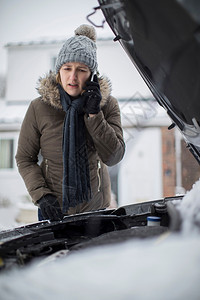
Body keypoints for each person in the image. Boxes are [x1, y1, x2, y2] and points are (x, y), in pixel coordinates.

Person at [15, 24, 125, 222]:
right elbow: (24, 158)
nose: (72, 77)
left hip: (95, 210)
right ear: (59, 71)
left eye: (81, 70)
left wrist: (94, 115)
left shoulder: (107, 106)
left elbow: (113, 156)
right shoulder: (39, 108)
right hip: (53, 209)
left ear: (92, 75)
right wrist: (42, 195)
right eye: (67, 68)